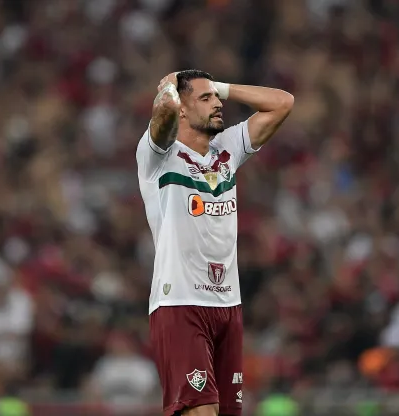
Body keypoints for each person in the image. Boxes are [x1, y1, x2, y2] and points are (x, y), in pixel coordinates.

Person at [136, 69, 294, 416]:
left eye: (216, 96)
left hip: (228, 304)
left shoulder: (226, 150)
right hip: (179, 303)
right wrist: (168, 93)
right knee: (200, 411)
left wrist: (219, 86)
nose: (218, 103)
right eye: (205, 98)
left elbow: (283, 103)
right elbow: (161, 121)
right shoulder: (158, 157)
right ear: (181, 108)